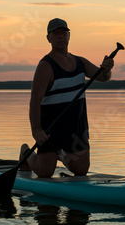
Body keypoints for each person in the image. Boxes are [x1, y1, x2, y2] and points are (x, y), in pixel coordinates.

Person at [19, 18, 114, 178]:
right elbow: (35, 101)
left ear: (69, 36)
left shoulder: (80, 62)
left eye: (64, 33)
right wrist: (36, 130)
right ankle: (26, 154)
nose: (61, 36)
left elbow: (103, 77)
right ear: (48, 38)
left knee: (81, 170)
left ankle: (60, 153)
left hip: (77, 127)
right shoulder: (45, 66)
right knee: (45, 172)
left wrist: (107, 68)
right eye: (56, 33)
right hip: (51, 128)